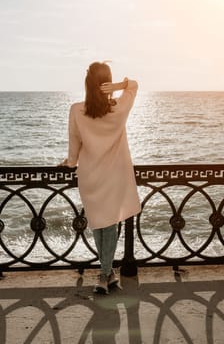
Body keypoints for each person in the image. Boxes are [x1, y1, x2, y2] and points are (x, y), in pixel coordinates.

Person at [60, 62, 141, 294]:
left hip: (90, 176)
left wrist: (69, 163)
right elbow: (134, 86)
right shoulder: (119, 108)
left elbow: (74, 149)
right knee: (109, 224)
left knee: (98, 224)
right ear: (107, 84)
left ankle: (105, 275)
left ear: (87, 84)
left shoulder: (77, 110)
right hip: (115, 175)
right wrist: (119, 86)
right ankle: (107, 273)